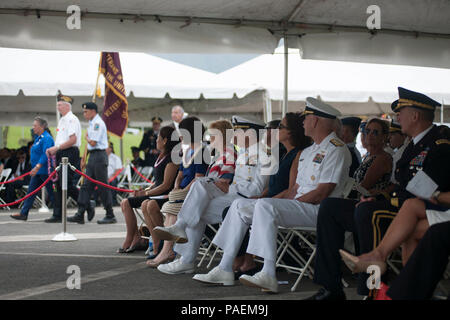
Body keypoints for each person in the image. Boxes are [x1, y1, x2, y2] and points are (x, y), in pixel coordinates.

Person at [193, 98, 351, 293]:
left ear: (316, 121)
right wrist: (270, 200)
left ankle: (268, 273)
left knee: (265, 207)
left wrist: (282, 204)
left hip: (320, 211)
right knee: (239, 205)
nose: (303, 122)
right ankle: (225, 268)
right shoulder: (309, 151)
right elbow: (294, 189)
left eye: (306, 118)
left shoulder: (336, 149)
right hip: (299, 205)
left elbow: (322, 192)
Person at [307, 87, 450, 300]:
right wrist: (379, 196)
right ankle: (330, 288)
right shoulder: (413, 146)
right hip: (400, 205)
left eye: (401, 112)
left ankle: (371, 290)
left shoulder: (439, 147)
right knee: (330, 207)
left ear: (415, 116)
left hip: (420, 210)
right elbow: (402, 187)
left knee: (368, 213)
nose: (397, 117)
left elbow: (429, 192)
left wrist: (382, 200)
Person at [153, 117, 270, 272]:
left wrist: (228, 188)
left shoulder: (264, 156)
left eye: (238, 131)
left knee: (200, 184)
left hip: (244, 200)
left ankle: (181, 228)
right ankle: (186, 260)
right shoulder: (243, 154)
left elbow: (255, 190)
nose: (234, 135)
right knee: (197, 209)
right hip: (233, 196)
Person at [228, 113, 312, 279]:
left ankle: (250, 265)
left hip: (283, 204)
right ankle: (230, 262)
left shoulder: (297, 154)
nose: (274, 131)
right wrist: (262, 197)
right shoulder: (282, 154)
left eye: (280, 127)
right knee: (237, 207)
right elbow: (271, 186)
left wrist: (264, 199)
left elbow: (291, 190)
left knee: (251, 208)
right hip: (274, 201)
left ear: (291, 132)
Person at [143, 116, 209, 266]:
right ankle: (165, 248)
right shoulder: (187, 152)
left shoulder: (201, 152)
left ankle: (167, 251)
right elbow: (180, 174)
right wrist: (177, 187)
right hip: (181, 193)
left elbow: (198, 178)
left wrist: (183, 191)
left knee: (172, 210)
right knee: (170, 207)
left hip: (191, 194)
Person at [118, 126, 179, 253]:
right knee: (125, 202)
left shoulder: (172, 158)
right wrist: (145, 189)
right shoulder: (162, 156)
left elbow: (166, 185)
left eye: (158, 138)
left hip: (163, 195)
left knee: (130, 202)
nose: (156, 140)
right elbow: (157, 182)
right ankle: (136, 237)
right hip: (156, 192)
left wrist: (146, 192)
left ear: (165, 141)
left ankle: (143, 240)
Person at [67, 102, 116, 224]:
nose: (84, 114)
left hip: (99, 156)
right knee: (86, 185)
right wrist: (85, 158)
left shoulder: (97, 124)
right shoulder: (92, 123)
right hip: (93, 156)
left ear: (93, 111)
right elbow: (90, 146)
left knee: (102, 186)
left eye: (86, 111)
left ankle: (110, 213)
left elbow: (93, 143)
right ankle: (80, 212)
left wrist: (86, 138)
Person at [45, 94, 82, 223]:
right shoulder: (62, 120)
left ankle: (86, 203)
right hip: (61, 152)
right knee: (58, 184)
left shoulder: (71, 119)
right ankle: (57, 214)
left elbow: (73, 140)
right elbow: (61, 139)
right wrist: (53, 149)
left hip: (69, 152)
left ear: (67, 106)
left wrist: (57, 148)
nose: (58, 107)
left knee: (66, 183)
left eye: (60, 105)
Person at [10, 117, 55, 220]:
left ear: (42, 126)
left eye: (35, 125)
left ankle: (58, 213)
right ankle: (24, 213)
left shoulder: (46, 138)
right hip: (37, 171)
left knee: (52, 193)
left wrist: (38, 166)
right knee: (31, 192)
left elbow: (46, 153)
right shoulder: (38, 138)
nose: (33, 127)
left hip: (44, 170)